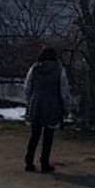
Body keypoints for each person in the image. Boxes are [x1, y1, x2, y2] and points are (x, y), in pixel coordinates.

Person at [23, 45, 71, 173]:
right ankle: (44, 162)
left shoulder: (34, 68)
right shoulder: (59, 69)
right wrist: (66, 108)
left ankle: (29, 162)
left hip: (36, 103)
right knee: (48, 136)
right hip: (53, 105)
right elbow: (64, 91)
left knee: (35, 135)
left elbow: (27, 87)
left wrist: (30, 101)